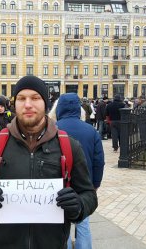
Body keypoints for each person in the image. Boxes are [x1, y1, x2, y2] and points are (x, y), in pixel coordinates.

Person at [0, 76, 98, 249]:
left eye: (35, 98)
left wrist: (79, 206)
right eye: (21, 98)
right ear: (14, 104)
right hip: (3, 244)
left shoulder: (69, 146)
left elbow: (89, 194)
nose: (28, 104)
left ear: (45, 104)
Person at [55, 93, 105, 249]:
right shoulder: (90, 130)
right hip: (84, 183)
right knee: (83, 223)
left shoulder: (52, 129)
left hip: (60, 184)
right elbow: (99, 161)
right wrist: (95, 184)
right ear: (79, 109)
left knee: (61, 224)